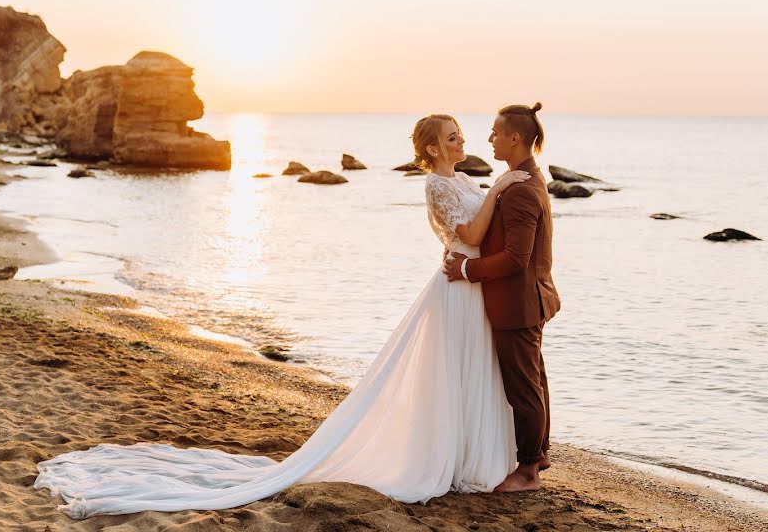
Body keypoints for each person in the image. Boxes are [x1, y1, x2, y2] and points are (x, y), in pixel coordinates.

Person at [33, 114, 529, 519]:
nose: (462, 139)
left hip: (471, 284)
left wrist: (499, 193)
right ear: (433, 149)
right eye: (452, 136)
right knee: (453, 372)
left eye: (461, 132)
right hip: (457, 286)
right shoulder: (436, 187)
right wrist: (503, 185)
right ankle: (448, 457)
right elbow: (468, 230)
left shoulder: (463, 178)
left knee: (473, 372)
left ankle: (475, 455)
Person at [443, 102, 560, 492]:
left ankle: (528, 471)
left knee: (523, 387)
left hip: (518, 302)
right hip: (529, 298)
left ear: (515, 137)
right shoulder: (524, 179)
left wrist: (465, 270)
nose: (489, 139)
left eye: (495, 132)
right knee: (533, 380)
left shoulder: (520, 190)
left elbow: (515, 259)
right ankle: (537, 453)